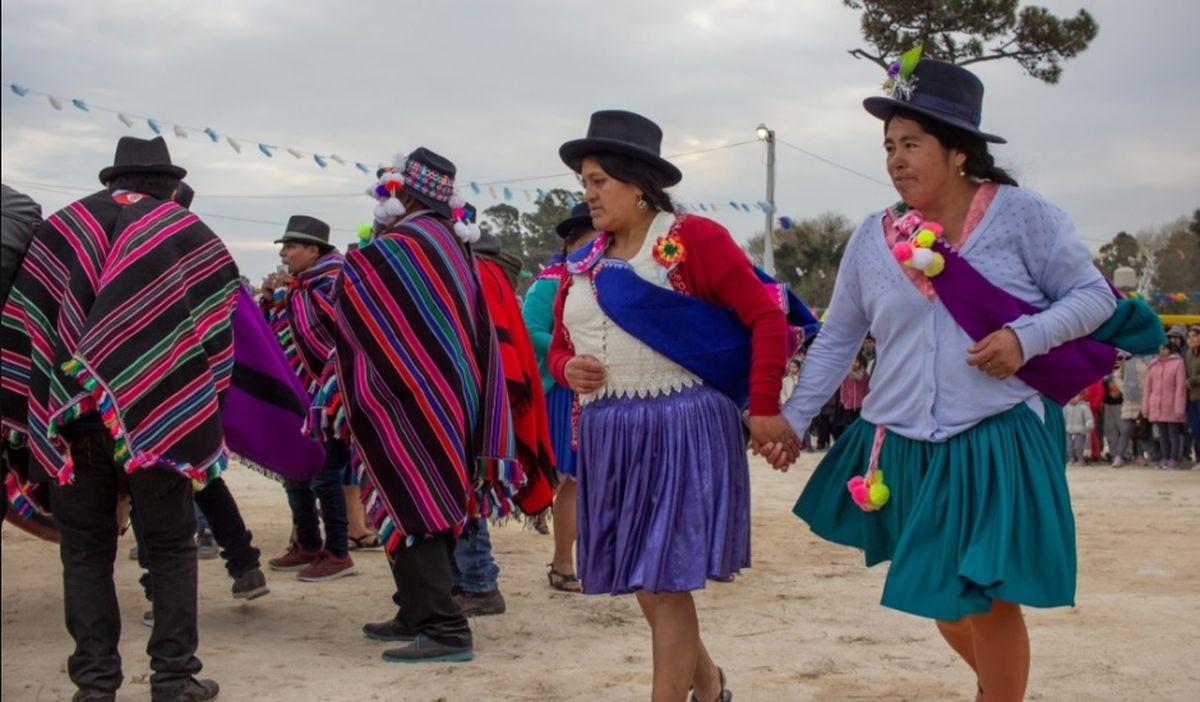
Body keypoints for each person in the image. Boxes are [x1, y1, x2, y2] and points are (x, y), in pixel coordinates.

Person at [768, 58, 1118, 701]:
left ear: (958, 153)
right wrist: (792, 419)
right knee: (941, 598)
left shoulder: (1022, 216)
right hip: (902, 439)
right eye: (889, 147)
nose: (896, 160)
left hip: (995, 432)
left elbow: (1094, 297)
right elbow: (838, 337)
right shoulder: (872, 239)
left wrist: (1024, 337)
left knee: (987, 598)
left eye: (911, 144)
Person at [550, 110, 796, 702]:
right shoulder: (583, 261)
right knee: (643, 577)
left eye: (599, 180)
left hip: (681, 424)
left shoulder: (694, 241)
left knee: (666, 578)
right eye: (584, 182)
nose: (589, 194)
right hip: (612, 430)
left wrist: (763, 405)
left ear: (638, 184)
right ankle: (708, 684)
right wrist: (566, 367)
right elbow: (561, 343)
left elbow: (766, 316)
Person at [1, 136, 235, 701]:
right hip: (162, 425)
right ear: (171, 185)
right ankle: (174, 681)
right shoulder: (189, 232)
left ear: (113, 181)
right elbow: (216, 336)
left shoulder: (63, 227)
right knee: (172, 548)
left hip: (72, 423)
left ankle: (96, 685)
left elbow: (22, 323)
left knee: (84, 553)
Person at [344, 148, 524, 663]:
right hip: (443, 392)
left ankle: (446, 629)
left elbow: (355, 288)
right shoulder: (448, 241)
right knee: (431, 500)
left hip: (416, 396)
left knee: (419, 497)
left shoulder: (407, 243)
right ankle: (417, 612)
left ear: (404, 192)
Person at [451, 214, 556, 616]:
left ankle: (479, 583)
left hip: (480, 400)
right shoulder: (480, 271)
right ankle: (466, 581)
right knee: (464, 490)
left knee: (468, 491)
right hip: (480, 397)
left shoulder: (480, 274)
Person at [265, 215, 358, 581]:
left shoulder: (333, 283)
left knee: (324, 472)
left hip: (333, 393)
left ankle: (338, 552)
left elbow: (336, 335)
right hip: (301, 392)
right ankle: (307, 542)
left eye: (290, 247)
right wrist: (273, 300)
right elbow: (277, 336)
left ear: (313, 250)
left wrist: (289, 296)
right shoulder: (297, 289)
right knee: (295, 469)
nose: (285, 255)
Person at [522, 202, 601, 593]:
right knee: (572, 480)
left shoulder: (605, 279)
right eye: (590, 242)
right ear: (571, 244)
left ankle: (591, 560)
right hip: (563, 394)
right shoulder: (549, 283)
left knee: (594, 481)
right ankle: (563, 563)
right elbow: (529, 328)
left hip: (600, 392)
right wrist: (567, 358)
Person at [1142, 343, 1188, 469]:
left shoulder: (1178, 363)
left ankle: (1174, 458)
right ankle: (1165, 458)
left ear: (1170, 349)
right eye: (1159, 348)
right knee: (1162, 435)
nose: (1161, 351)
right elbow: (1148, 388)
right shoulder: (1153, 365)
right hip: (1156, 405)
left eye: (1164, 348)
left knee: (1173, 435)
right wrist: (1146, 407)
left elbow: (1180, 388)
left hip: (1171, 405)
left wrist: (1179, 407)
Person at [1112, 353, 1153, 466]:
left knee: (1141, 429)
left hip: (1146, 398)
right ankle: (1119, 456)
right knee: (1126, 429)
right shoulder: (1127, 359)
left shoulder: (1150, 358)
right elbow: (1116, 375)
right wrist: (1124, 389)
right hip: (1130, 398)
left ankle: (1139, 455)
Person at [833, 354, 870, 439]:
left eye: (856, 361)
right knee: (847, 425)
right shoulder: (847, 374)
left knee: (858, 424)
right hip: (848, 405)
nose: (854, 363)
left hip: (860, 405)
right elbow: (843, 388)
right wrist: (844, 400)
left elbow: (867, 390)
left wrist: (864, 401)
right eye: (853, 361)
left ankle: (857, 440)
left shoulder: (865, 375)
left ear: (860, 362)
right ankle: (848, 439)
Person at [1064, 392, 1094, 465]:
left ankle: (1080, 459)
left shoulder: (1083, 407)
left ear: (1080, 396)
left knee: (1079, 447)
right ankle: (1071, 458)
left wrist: (1089, 423)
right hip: (1068, 430)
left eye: (1075, 396)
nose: (1073, 398)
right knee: (1069, 446)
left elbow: (1089, 417)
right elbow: (1063, 418)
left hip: (1079, 430)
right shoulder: (1066, 407)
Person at [1186, 326, 1200, 461]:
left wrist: (1192, 381)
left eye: (1195, 335)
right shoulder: (1188, 354)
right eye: (1189, 336)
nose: (1192, 339)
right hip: (1192, 397)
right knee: (1195, 430)